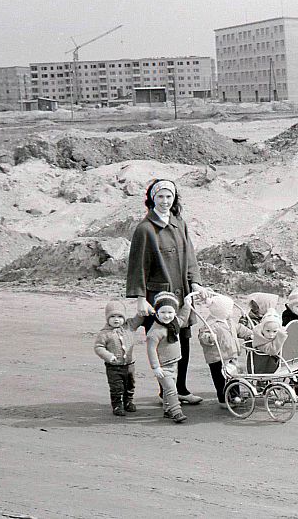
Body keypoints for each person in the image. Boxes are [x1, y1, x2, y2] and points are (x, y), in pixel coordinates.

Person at [126, 178, 209, 405]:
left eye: (169, 196)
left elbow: (190, 256)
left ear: (174, 199)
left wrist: (196, 283)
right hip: (160, 297)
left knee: (183, 339)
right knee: (164, 345)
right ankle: (167, 393)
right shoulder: (145, 229)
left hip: (182, 295)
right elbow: (138, 266)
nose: (164, 201)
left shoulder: (179, 222)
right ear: (152, 198)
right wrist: (141, 299)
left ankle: (180, 388)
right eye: (160, 196)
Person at [197, 294, 253, 408]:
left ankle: (235, 396)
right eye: (229, 310)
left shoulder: (229, 321)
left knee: (234, 376)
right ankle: (223, 399)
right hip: (217, 357)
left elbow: (239, 329)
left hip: (231, 355)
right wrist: (209, 338)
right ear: (220, 311)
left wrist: (250, 334)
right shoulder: (211, 324)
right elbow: (202, 336)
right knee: (221, 379)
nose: (231, 312)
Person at [145, 291, 193, 423]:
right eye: (163, 312)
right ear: (156, 312)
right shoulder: (154, 332)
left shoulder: (174, 323)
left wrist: (187, 305)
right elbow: (151, 350)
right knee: (172, 390)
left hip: (174, 363)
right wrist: (155, 367)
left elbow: (183, 319)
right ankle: (177, 412)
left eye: (170, 312)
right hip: (163, 366)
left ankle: (167, 410)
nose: (167, 316)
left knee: (168, 390)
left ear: (174, 313)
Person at [93, 299, 143, 416]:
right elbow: (98, 347)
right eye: (113, 316)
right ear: (107, 318)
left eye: (120, 316)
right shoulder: (104, 333)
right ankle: (117, 405)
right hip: (113, 367)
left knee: (130, 384)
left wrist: (145, 308)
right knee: (116, 386)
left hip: (130, 364)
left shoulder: (129, 326)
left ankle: (128, 401)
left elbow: (140, 317)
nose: (116, 319)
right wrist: (108, 356)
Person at [248, 309, 287, 374]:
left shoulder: (275, 337)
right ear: (262, 329)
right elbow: (272, 351)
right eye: (268, 331)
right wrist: (281, 336)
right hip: (262, 368)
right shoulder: (260, 340)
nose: (271, 334)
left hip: (273, 365)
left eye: (275, 331)